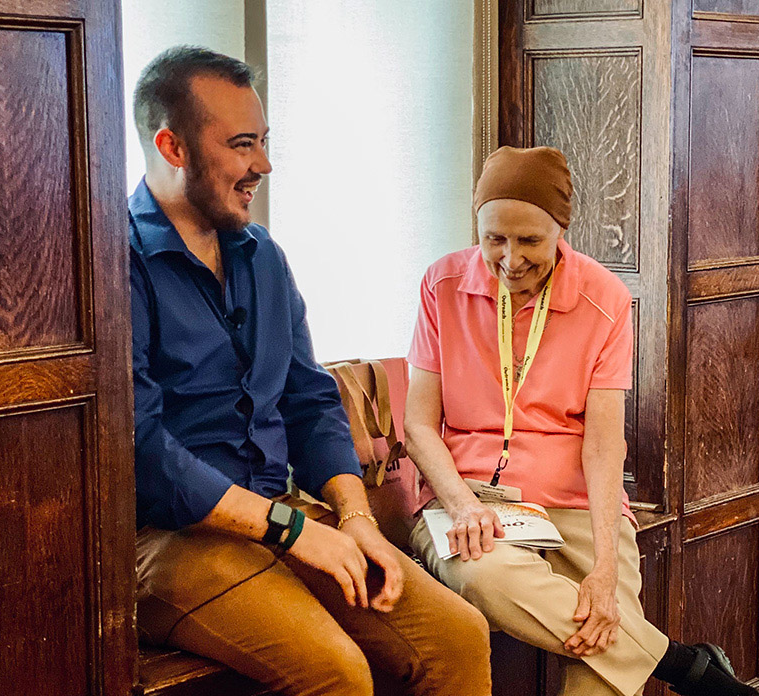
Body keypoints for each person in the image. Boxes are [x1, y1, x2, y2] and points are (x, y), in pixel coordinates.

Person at [129, 46, 491, 696]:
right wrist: (293, 531)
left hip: (284, 517)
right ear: (172, 146)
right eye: (242, 145)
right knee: (339, 673)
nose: (262, 165)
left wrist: (355, 521)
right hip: (168, 542)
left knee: (460, 637)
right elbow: (145, 453)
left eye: (264, 142)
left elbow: (310, 402)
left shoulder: (263, 255)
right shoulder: (113, 264)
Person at [404, 146, 759, 696]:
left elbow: (601, 445)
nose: (509, 258)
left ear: (560, 232)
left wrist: (602, 564)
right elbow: (418, 426)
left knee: (605, 631)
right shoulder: (442, 285)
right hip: (468, 498)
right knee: (483, 575)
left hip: (575, 500)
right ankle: (685, 666)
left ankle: (669, 656)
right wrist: (461, 503)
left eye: (530, 241)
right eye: (494, 239)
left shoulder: (605, 298)